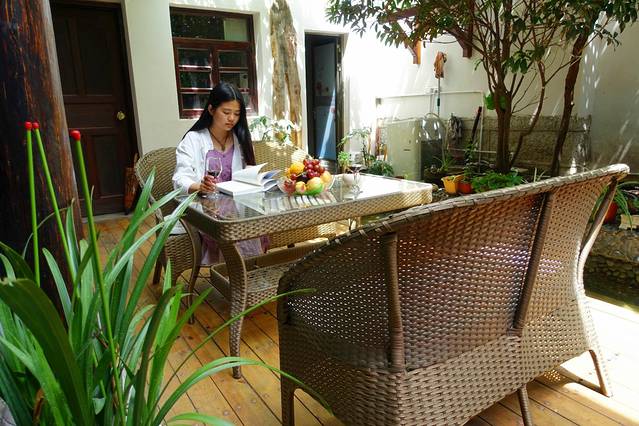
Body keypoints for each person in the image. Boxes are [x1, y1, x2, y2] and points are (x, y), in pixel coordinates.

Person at [173, 82, 267, 264]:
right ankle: (238, 274)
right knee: (234, 228)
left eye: (237, 114)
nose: (232, 118)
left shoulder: (240, 139)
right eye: (226, 112)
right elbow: (179, 178)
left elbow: (247, 174)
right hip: (206, 208)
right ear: (211, 109)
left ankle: (248, 272)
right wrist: (199, 186)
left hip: (237, 206)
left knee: (253, 222)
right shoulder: (193, 139)